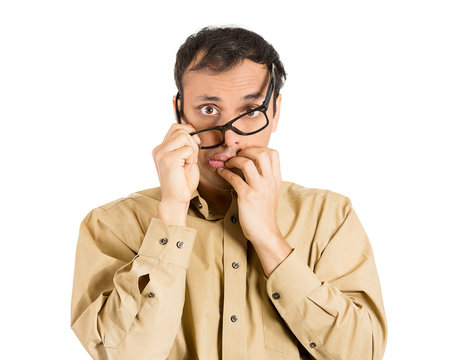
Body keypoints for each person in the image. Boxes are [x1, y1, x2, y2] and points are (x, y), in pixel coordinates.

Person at [70, 26, 387, 360]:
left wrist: (270, 239)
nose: (230, 139)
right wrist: (172, 213)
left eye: (250, 112)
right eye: (209, 109)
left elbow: (361, 354)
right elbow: (126, 355)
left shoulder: (330, 218)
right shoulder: (111, 225)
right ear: (180, 112)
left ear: (275, 112)